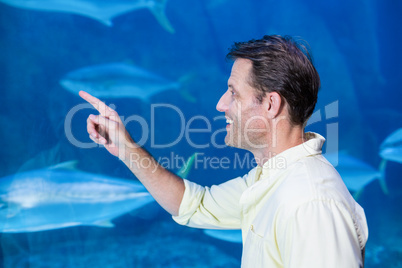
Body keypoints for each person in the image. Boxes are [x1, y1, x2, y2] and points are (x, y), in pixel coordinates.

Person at [79, 35, 368, 267]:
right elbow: (193, 205)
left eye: (233, 92)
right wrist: (127, 148)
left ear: (270, 105)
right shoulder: (271, 177)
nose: (220, 104)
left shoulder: (310, 202)